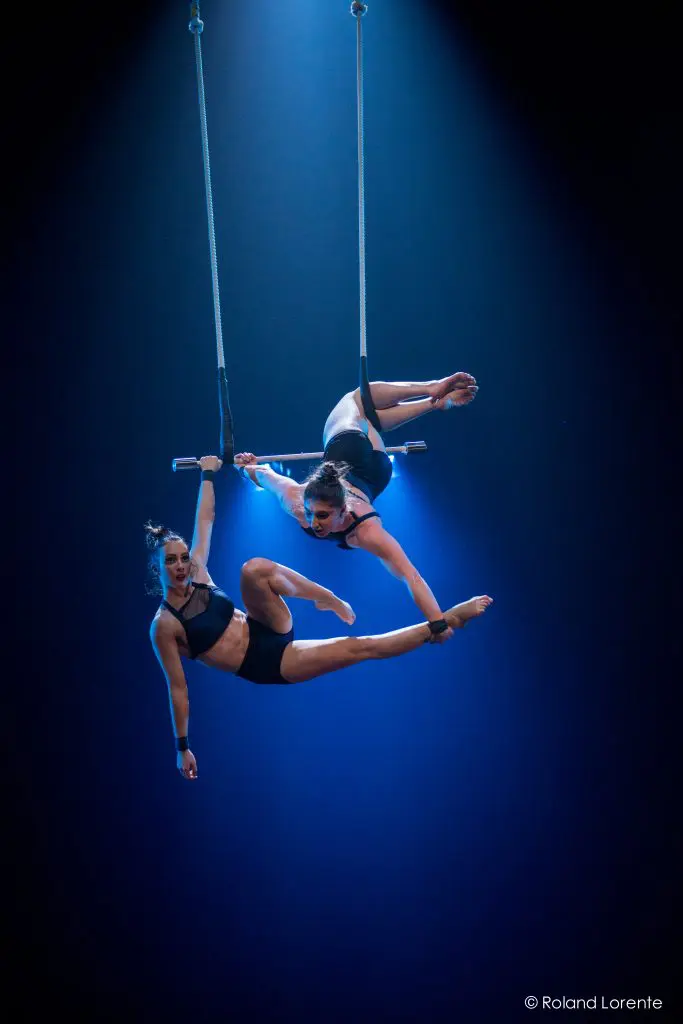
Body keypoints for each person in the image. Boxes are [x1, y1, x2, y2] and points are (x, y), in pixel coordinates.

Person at [148, 457, 493, 779]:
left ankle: (330, 599)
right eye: (170, 562)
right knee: (360, 648)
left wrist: (208, 474)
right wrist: (182, 747)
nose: (180, 566)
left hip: (267, 625)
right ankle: (446, 621)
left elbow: (205, 520)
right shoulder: (165, 625)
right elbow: (178, 688)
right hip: (267, 663)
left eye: (182, 558)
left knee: (253, 569)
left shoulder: (199, 574)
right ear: (157, 569)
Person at [234, 372, 478, 638]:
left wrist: (437, 623)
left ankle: (432, 391)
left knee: (356, 400)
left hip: (347, 445)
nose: (314, 522)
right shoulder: (295, 500)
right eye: (310, 513)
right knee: (368, 416)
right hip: (375, 471)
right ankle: (432, 400)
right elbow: (266, 475)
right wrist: (245, 466)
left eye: (323, 516)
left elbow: (411, 576)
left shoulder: (367, 530)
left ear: (343, 511)